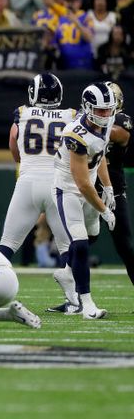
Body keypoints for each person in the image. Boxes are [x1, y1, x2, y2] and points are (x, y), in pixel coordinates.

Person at [49, 83, 116, 319]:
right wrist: (104, 208)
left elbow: (101, 155)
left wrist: (107, 185)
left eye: (108, 110)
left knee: (93, 235)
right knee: (79, 244)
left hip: (89, 187)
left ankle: (67, 271)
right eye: (101, 111)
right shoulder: (75, 134)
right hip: (68, 190)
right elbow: (82, 184)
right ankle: (87, 305)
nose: (106, 115)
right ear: (88, 108)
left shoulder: (104, 124)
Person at [0, 73, 75, 269]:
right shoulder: (72, 116)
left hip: (28, 182)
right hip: (59, 185)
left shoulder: (23, 113)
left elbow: (14, 144)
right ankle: (76, 298)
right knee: (68, 249)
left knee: (6, 246)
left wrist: (25, 160)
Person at [95, 83, 134, 287]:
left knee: (125, 246)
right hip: (88, 190)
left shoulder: (121, 119)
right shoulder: (87, 121)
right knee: (77, 243)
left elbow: (121, 134)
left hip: (114, 191)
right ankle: (74, 298)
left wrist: (88, 125)